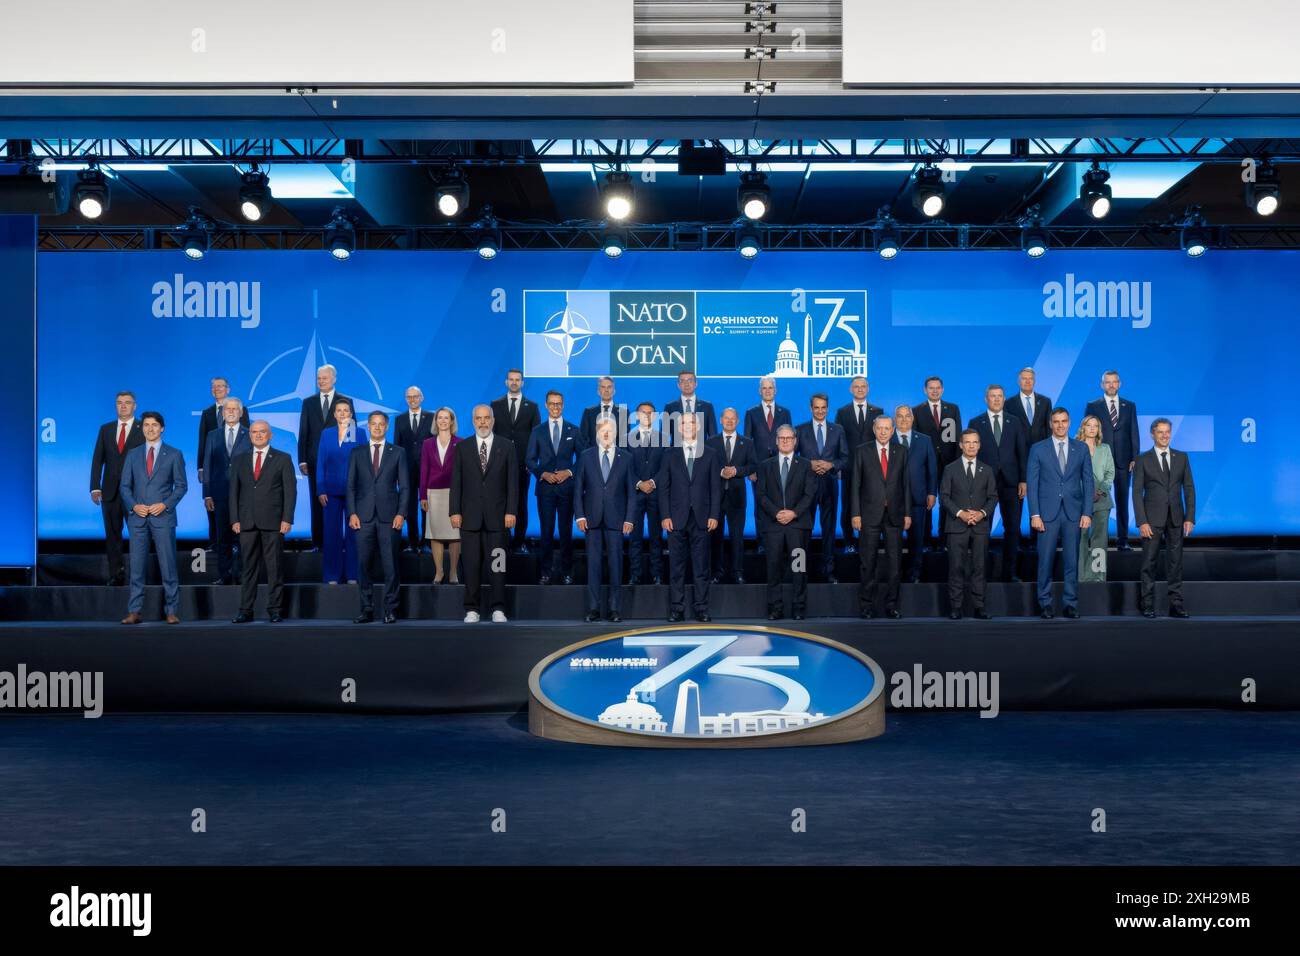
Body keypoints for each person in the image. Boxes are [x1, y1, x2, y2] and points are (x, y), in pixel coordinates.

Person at [450, 404, 518, 623]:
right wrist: (454, 511)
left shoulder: (506, 446)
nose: (482, 422)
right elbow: (456, 482)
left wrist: (511, 511)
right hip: (469, 519)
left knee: (498, 566)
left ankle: (498, 608)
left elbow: (513, 483)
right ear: (473, 421)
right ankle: (472, 609)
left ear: (493, 420)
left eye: (486, 418)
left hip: (498, 520)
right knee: (470, 566)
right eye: (478, 418)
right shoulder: (462, 448)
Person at [119, 412, 187, 624]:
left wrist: (164, 504)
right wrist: (134, 506)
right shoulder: (133, 454)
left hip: (163, 517)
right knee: (137, 567)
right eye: (146, 425)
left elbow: (181, 486)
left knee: (168, 566)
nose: (150, 429)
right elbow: (124, 486)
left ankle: (171, 611)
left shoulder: (174, 454)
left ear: (162, 428)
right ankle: (134, 611)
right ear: (142, 428)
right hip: (138, 519)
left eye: (154, 425)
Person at [1027, 408, 1094, 619]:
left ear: (1069, 422)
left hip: (1073, 513)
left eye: (1064, 421)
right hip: (1047, 514)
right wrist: (1034, 514)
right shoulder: (1038, 449)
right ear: (1050, 424)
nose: (1060, 425)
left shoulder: (1081, 448)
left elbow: (1088, 482)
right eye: (1056, 421)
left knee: (1072, 561)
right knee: (1045, 561)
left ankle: (1070, 604)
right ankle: (1045, 604)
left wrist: (1087, 512)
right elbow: (1032, 484)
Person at [229, 420, 296, 623]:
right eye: (254, 432)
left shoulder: (283, 458)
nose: (258, 435)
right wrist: (234, 519)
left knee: (274, 568)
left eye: (262, 432)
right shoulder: (239, 460)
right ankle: (245, 610)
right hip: (246, 522)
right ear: (250, 435)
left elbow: (290, 491)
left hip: (274, 522)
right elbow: (233, 492)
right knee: (248, 568)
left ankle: (275, 609)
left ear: (270, 435)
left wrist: (287, 518)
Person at [657, 412, 721, 622]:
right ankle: (677, 608)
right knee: (676, 566)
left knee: (701, 566)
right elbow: (663, 488)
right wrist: (665, 515)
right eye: (683, 422)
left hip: (702, 518)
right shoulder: (669, 454)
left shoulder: (710, 454)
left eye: (691, 422)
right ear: (679, 427)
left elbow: (715, 488)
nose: (687, 426)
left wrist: (714, 514)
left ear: (698, 427)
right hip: (675, 518)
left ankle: (701, 608)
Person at [347, 411, 407, 624]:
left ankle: (390, 609)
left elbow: (405, 487)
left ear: (387, 426)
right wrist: (352, 513)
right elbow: (350, 486)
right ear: (369, 426)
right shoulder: (357, 452)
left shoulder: (398, 452)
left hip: (389, 518)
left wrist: (401, 513)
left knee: (391, 566)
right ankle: (366, 609)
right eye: (374, 424)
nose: (378, 427)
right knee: (363, 565)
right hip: (362, 518)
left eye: (381, 424)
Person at [1133, 418, 1196, 619]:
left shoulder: (1182, 457)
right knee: (1149, 562)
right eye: (1160, 432)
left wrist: (1190, 517)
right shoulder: (1142, 459)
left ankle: (1176, 605)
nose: (1164, 435)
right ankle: (1147, 604)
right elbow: (1136, 493)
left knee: (1175, 563)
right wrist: (1142, 521)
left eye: (1167, 432)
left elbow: (1189, 488)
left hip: (1176, 518)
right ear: (1152, 434)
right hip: (1151, 520)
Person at [574, 418, 635, 622]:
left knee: (616, 566)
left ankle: (614, 609)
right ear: (597, 433)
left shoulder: (626, 457)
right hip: (591, 519)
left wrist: (629, 519)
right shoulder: (586, 456)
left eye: (610, 430)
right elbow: (578, 489)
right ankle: (593, 609)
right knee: (593, 566)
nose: (606, 434)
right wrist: (580, 515)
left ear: (616, 433)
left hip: (616, 520)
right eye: (603, 430)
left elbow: (631, 492)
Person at [851, 415, 911, 619]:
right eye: (880, 428)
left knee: (895, 565)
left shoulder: (901, 451)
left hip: (895, 515)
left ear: (893, 431)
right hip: (868, 515)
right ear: (874, 429)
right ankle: (867, 606)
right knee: (868, 563)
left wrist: (907, 513)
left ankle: (892, 606)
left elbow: (906, 485)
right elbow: (855, 485)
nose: (883, 432)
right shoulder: (862, 451)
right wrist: (856, 513)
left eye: (887, 428)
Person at [967, 385, 1028, 582]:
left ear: (1004, 399)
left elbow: (1022, 452)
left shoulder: (1015, 421)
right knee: (981, 530)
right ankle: (981, 574)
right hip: (984, 484)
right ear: (986, 399)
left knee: (1013, 529)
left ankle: (1010, 572)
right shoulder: (976, 422)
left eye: (999, 396)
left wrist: (1023, 480)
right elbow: (971, 454)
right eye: (992, 396)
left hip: (1012, 483)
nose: (996, 399)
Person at [757, 425, 817, 620]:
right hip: (773, 526)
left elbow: (809, 494)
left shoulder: (806, 465)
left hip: (798, 526)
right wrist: (776, 513)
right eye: (781, 438)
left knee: (799, 568)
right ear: (776, 441)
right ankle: (775, 608)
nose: (785, 441)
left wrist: (793, 513)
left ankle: (799, 607)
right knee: (773, 568)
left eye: (789, 438)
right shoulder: (765, 465)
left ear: (795, 441)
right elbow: (761, 495)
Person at [940, 429, 999, 619]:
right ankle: (956, 607)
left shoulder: (987, 470)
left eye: (975, 442)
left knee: (979, 567)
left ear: (979, 445)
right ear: (961, 445)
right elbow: (944, 497)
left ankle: (979, 607)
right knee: (956, 567)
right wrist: (961, 514)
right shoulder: (950, 469)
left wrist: (981, 514)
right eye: (967, 442)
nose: (971, 446)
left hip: (980, 527)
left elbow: (993, 497)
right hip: (956, 525)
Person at [525, 390, 581, 584]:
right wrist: (543, 473)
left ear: (563, 405)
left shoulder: (574, 430)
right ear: (546, 405)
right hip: (545, 490)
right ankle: (545, 572)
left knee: (566, 532)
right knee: (546, 531)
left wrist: (569, 472)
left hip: (567, 489)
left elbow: (583, 458)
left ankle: (567, 572)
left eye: (558, 404)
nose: (555, 407)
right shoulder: (537, 431)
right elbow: (530, 459)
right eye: (552, 403)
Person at [90, 390, 144, 585]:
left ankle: (138, 576)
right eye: (119, 402)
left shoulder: (144, 427)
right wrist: (94, 487)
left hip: (136, 493)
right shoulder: (106, 429)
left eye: (127, 402)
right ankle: (116, 575)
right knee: (112, 536)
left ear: (134, 406)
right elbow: (98, 459)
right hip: (110, 492)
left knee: (138, 535)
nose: (123, 406)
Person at [794, 394, 849, 582]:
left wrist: (831, 465)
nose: (820, 411)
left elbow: (845, 458)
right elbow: (792, 458)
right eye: (816, 407)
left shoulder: (838, 429)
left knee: (829, 530)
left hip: (829, 486)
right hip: (805, 488)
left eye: (823, 407)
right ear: (811, 408)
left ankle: (829, 571)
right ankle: (800, 571)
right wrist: (809, 464)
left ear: (828, 408)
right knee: (802, 531)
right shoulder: (800, 430)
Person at [298, 364, 351, 550]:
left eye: (325, 378)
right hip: (314, 461)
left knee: (341, 502)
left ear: (334, 379)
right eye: (319, 378)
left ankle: (340, 542)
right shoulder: (308, 402)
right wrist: (302, 459)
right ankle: (318, 543)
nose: (321, 381)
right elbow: (303, 431)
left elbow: (351, 432)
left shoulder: (345, 401)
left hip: (340, 463)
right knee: (317, 502)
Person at [1085, 370, 1138, 551]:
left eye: (1114, 382)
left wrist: (1134, 457)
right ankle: (1098, 540)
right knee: (1097, 500)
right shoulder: (1093, 406)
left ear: (1119, 384)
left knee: (1123, 501)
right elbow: (1087, 431)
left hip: (1124, 461)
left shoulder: (1129, 406)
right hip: (1100, 460)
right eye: (1108, 382)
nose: (1111, 385)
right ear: (1102, 385)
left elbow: (1134, 432)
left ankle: (1123, 539)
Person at [201, 397, 251, 585]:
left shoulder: (249, 434)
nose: (230, 411)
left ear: (240, 412)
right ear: (222, 413)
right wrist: (207, 494)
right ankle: (225, 575)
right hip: (219, 493)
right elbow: (207, 465)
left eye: (234, 409)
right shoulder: (212, 435)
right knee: (222, 537)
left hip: (243, 494)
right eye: (227, 409)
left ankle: (242, 575)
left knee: (242, 537)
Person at [491, 369, 540, 553]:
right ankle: (502, 540)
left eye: (517, 380)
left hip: (522, 464)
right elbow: (491, 434)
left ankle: (519, 541)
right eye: (511, 379)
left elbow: (536, 438)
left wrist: (531, 463)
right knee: (499, 502)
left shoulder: (532, 407)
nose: (514, 382)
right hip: (499, 464)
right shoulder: (495, 405)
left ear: (522, 383)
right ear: (506, 382)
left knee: (521, 502)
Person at [1005, 366, 1053, 553]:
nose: (1027, 381)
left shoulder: (1045, 402)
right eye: (1024, 378)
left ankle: (1036, 540)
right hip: (1016, 460)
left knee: (1039, 500)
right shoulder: (1009, 403)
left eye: (1030, 378)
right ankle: (1015, 542)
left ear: (1034, 381)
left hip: (1040, 459)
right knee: (1016, 503)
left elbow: (1048, 430)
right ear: (1019, 381)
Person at [705, 407, 756, 584]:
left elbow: (753, 465)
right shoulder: (710, 442)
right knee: (715, 537)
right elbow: (705, 466)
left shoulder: (747, 442)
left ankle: (737, 572)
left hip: (737, 497)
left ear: (738, 421)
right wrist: (721, 471)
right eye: (726, 418)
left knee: (737, 537)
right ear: (721, 420)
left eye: (733, 418)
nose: (729, 421)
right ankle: (716, 572)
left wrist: (736, 471)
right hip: (715, 498)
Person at [197, 376, 249, 544]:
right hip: (216, 475)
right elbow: (203, 442)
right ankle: (215, 544)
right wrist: (201, 467)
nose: (217, 389)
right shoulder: (207, 414)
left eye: (221, 386)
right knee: (217, 519)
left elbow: (247, 443)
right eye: (214, 386)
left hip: (240, 481)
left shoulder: (242, 414)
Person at [834, 376, 884, 553]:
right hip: (849, 468)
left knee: (870, 506)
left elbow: (882, 439)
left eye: (863, 386)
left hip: (872, 469)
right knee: (848, 505)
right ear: (851, 389)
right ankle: (849, 542)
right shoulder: (842, 412)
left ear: (868, 389)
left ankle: (867, 543)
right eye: (856, 386)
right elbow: (837, 441)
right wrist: (839, 466)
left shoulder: (878, 411)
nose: (860, 389)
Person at [912, 376, 961, 552]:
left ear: (942, 389)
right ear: (925, 390)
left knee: (947, 503)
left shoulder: (952, 409)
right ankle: (925, 541)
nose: (934, 391)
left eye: (938, 387)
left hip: (949, 464)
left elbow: (957, 437)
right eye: (931, 388)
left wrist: (957, 464)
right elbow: (915, 440)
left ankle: (944, 541)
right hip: (925, 465)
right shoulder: (916, 410)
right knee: (926, 503)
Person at [890, 405, 938, 583]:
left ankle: (914, 574)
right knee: (893, 540)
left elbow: (932, 469)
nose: (904, 420)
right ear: (894, 419)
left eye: (907, 416)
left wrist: (932, 492)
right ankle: (895, 575)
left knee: (917, 540)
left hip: (918, 497)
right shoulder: (887, 438)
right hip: (893, 499)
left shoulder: (924, 440)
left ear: (912, 419)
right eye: (900, 416)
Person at [316, 399, 360, 586]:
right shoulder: (326, 434)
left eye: (346, 410)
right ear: (334, 414)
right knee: (331, 535)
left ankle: (353, 574)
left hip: (354, 492)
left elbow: (363, 462)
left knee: (353, 534)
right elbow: (320, 462)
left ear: (351, 413)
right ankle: (332, 575)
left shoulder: (359, 433)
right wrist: (320, 488)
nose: (342, 413)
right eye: (339, 410)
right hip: (330, 491)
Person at [742, 377, 790, 544]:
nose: (768, 391)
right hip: (759, 467)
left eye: (770, 388)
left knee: (782, 503)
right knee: (761, 505)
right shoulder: (751, 413)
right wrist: (751, 469)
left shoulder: (785, 413)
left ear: (775, 390)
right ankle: (762, 542)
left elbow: (790, 440)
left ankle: (780, 541)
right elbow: (748, 442)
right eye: (764, 388)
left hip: (781, 465)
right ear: (759, 391)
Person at [419, 407, 462, 585]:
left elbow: (463, 471)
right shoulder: (427, 443)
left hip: (454, 492)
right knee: (435, 533)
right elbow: (424, 470)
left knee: (455, 534)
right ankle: (439, 571)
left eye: (446, 418)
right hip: (433, 493)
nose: (443, 421)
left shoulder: (460, 442)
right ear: (436, 421)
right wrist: (423, 495)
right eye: (440, 418)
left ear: (452, 421)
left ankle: (453, 572)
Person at [627, 401, 665, 585]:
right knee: (634, 538)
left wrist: (653, 482)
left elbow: (666, 466)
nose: (647, 416)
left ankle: (657, 574)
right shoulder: (627, 438)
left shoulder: (663, 438)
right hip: (635, 495)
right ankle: (635, 575)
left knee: (656, 537)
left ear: (655, 416)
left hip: (656, 494)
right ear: (637, 416)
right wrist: (638, 483)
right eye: (643, 412)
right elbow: (625, 467)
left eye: (650, 413)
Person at [394, 386, 434, 552]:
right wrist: (396, 471)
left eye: (415, 396)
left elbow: (435, 444)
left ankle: (426, 542)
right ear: (406, 399)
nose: (412, 399)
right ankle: (412, 542)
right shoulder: (400, 419)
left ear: (421, 398)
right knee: (409, 507)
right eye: (409, 397)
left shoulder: (431, 417)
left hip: (428, 470)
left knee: (427, 506)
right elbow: (397, 447)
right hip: (406, 470)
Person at [1076, 415, 1116, 583]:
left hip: (1101, 501)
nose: (1092, 428)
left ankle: (1098, 577)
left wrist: (1099, 491)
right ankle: (1082, 577)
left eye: (1095, 426)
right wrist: (1085, 493)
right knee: (1081, 539)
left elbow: (1110, 473)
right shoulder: (1074, 447)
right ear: (1083, 428)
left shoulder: (1105, 448)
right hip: (1079, 501)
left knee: (1099, 541)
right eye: (1089, 425)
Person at [664, 371, 718, 445]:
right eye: (682, 381)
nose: (686, 384)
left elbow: (713, 434)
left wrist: (710, 451)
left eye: (690, 380)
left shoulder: (707, 406)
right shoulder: (669, 407)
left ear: (696, 384)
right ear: (678, 385)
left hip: (701, 450)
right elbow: (664, 436)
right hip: (677, 450)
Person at [579, 376, 620, 448]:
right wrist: (591, 454)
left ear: (614, 390)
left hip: (616, 454)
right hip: (593, 454)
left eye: (609, 387)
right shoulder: (589, 412)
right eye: (603, 387)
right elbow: (583, 439)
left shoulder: (623, 412)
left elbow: (624, 441)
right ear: (598, 391)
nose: (606, 390)